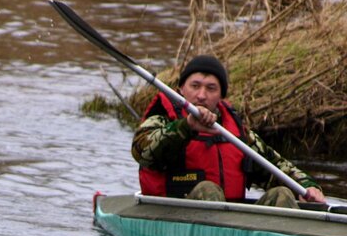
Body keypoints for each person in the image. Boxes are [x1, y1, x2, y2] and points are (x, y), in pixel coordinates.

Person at [131, 54, 326, 208]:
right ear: (181, 89)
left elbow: (275, 166)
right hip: (173, 215)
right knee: (208, 189)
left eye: (211, 88)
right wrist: (186, 127)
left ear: (221, 95)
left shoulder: (237, 133)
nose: (201, 95)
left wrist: (307, 186)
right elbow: (143, 153)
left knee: (282, 194)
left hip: (231, 222)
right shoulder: (161, 120)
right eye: (195, 86)